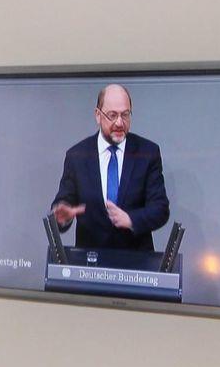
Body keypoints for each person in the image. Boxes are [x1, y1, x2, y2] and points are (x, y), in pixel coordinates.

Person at [50, 83, 169, 252]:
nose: (119, 122)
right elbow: (64, 202)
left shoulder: (147, 153)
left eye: (125, 115)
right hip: (90, 260)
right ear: (98, 115)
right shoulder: (77, 156)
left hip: (136, 259)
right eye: (112, 115)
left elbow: (160, 209)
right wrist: (63, 215)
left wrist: (131, 219)